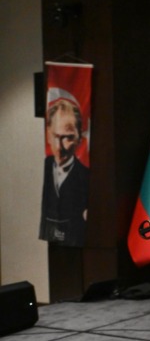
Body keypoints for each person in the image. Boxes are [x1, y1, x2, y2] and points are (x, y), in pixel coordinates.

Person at [40, 97, 90, 246]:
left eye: (67, 138)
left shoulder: (86, 177)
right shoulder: (43, 168)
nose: (59, 146)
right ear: (48, 134)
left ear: (79, 138)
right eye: (56, 136)